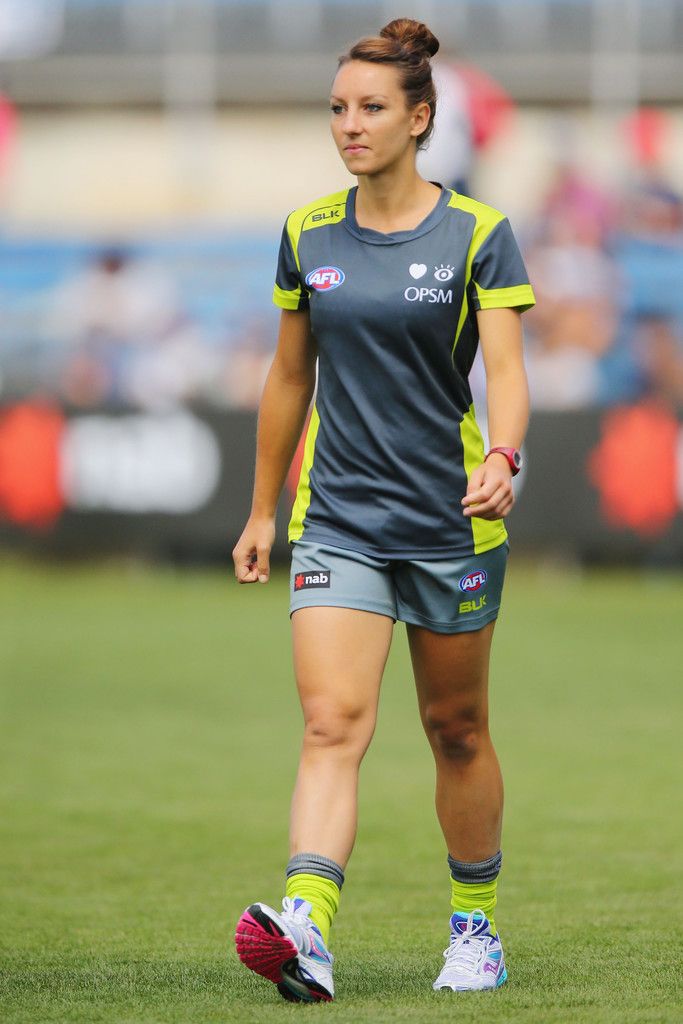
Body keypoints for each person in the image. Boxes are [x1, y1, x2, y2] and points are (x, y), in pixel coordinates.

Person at [232, 18, 535, 1003]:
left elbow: (505, 372)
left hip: (451, 521)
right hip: (338, 520)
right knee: (331, 724)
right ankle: (307, 926)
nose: (348, 126)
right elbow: (288, 378)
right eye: (336, 108)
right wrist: (262, 510)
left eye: (369, 108)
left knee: (456, 728)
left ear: (419, 118)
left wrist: (503, 456)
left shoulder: (477, 233)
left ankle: (474, 929)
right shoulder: (306, 233)